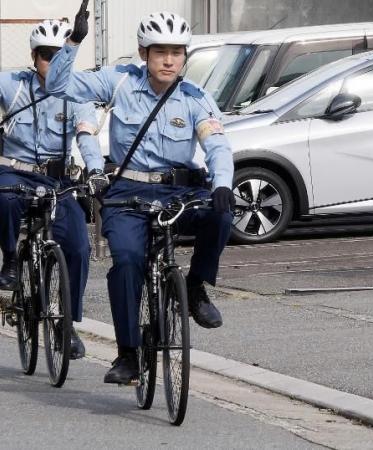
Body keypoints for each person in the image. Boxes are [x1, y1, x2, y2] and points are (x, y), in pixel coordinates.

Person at [46, 1, 236, 384]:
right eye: (160, 52)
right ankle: (128, 355)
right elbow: (57, 85)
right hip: (126, 193)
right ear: (143, 53)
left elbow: (217, 145)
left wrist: (221, 184)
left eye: (176, 53)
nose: (169, 61)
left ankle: (197, 286)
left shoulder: (196, 97)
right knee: (128, 261)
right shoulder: (119, 81)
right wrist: (74, 42)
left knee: (222, 213)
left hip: (179, 190)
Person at [0, 19, 105, 360]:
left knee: (77, 246)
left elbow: (87, 136)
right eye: (47, 55)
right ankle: (12, 261)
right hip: (14, 174)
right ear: (34, 57)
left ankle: (67, 325)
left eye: (60, 55)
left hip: (58, 181)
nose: (54, 62)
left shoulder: (77, 94)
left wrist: (96, 170)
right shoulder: (12, 85)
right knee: (4, 199)